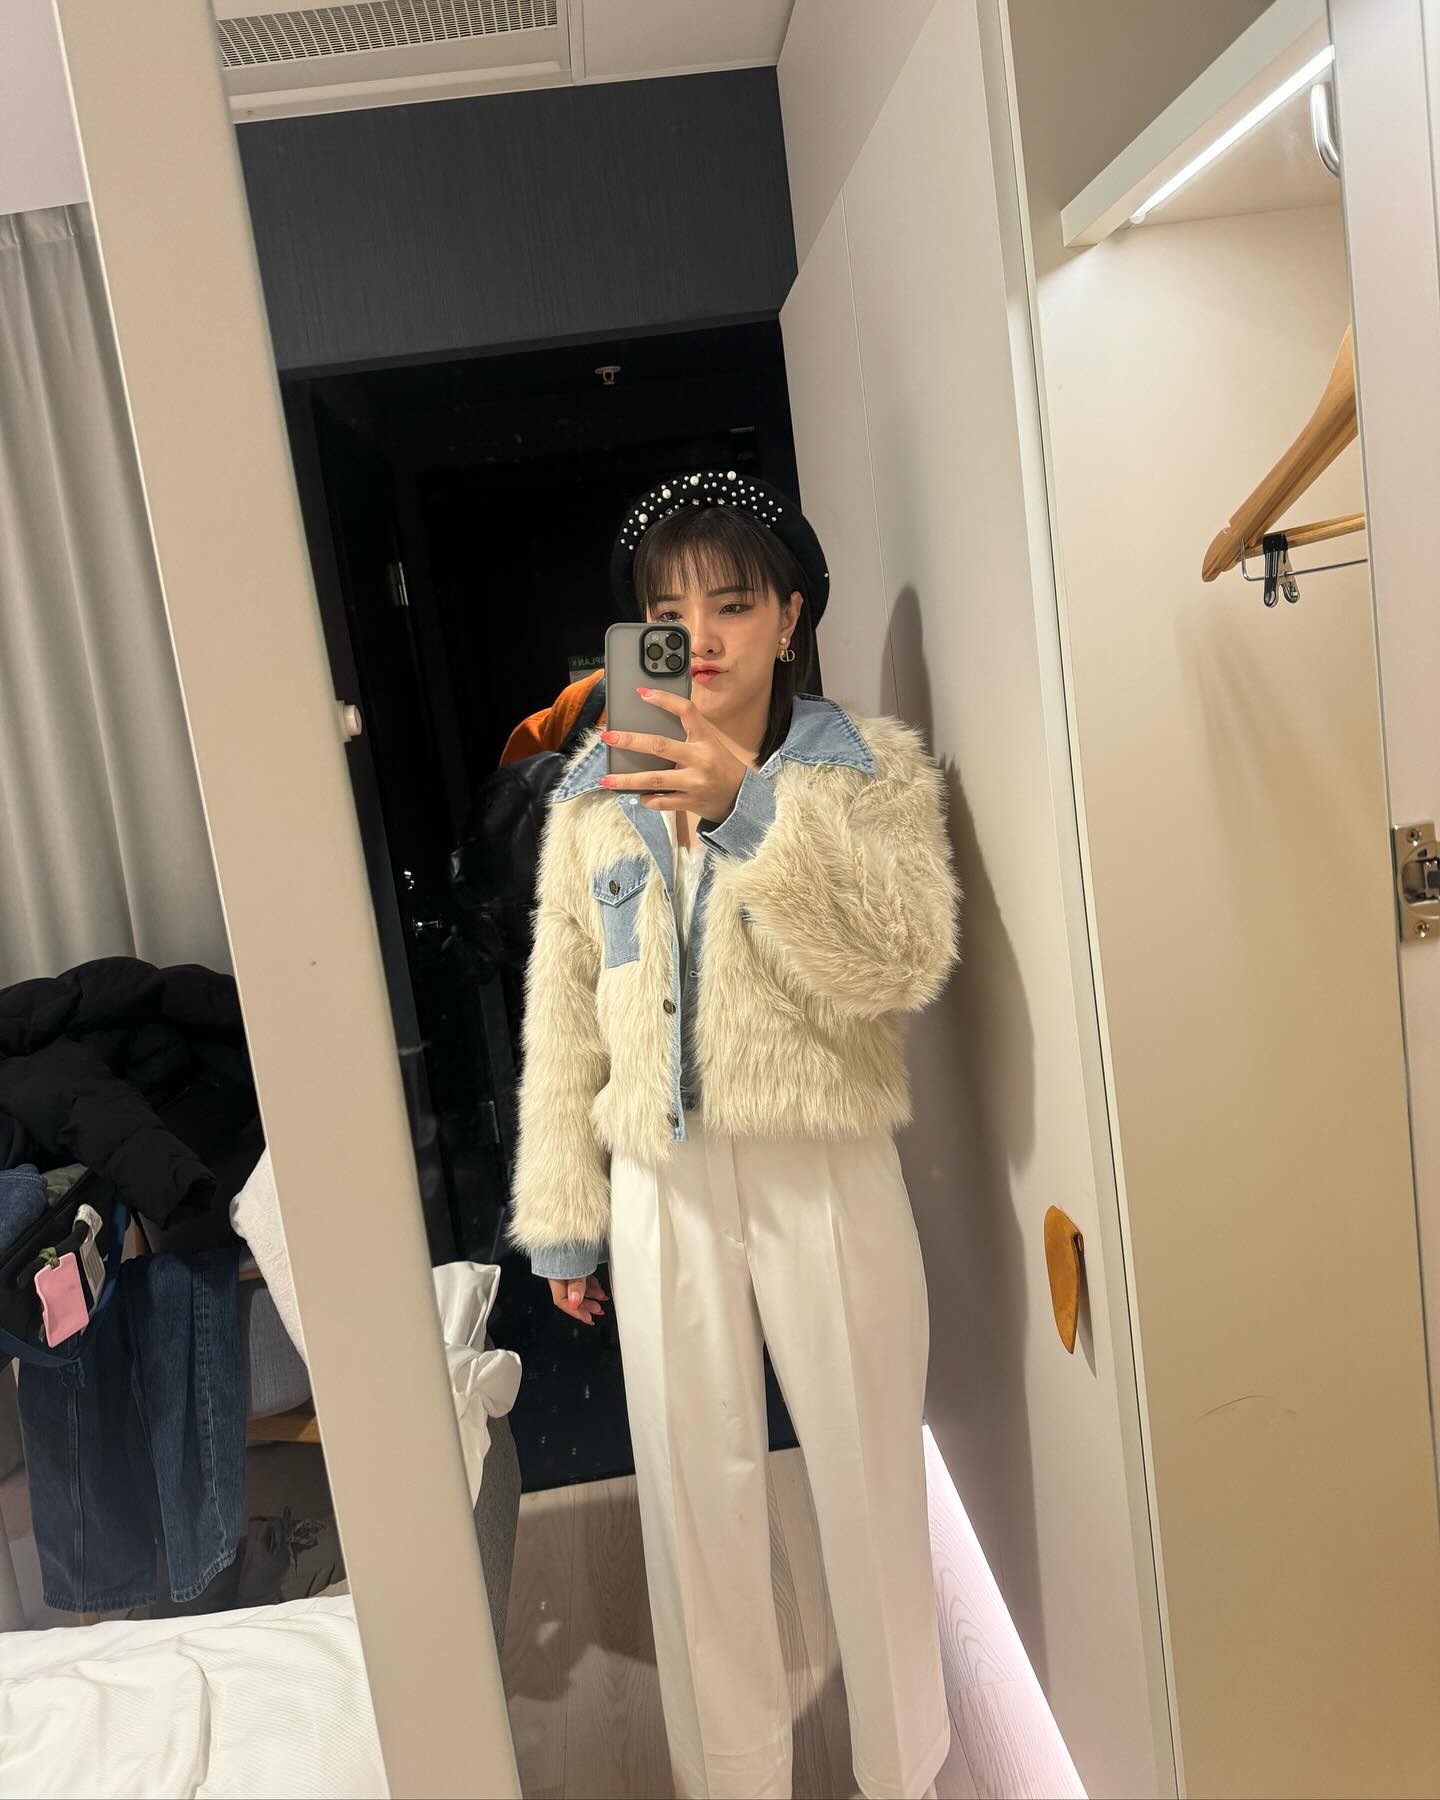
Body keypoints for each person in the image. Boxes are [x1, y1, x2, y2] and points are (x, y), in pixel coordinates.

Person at [504, 468, 962, 1800]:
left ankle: (907, 1770)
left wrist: (747, 807)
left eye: (733, 602)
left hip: (827, 1169)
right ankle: (735, 1778)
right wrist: (565, 1214)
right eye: (668, 612)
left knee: (871, 1484)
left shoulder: (865, 768)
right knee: (692, 1504)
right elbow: (565, 1013)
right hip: (665, 1183)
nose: (699, 635)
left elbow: (904, 961)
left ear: (790, 615)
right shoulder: (591, 793)